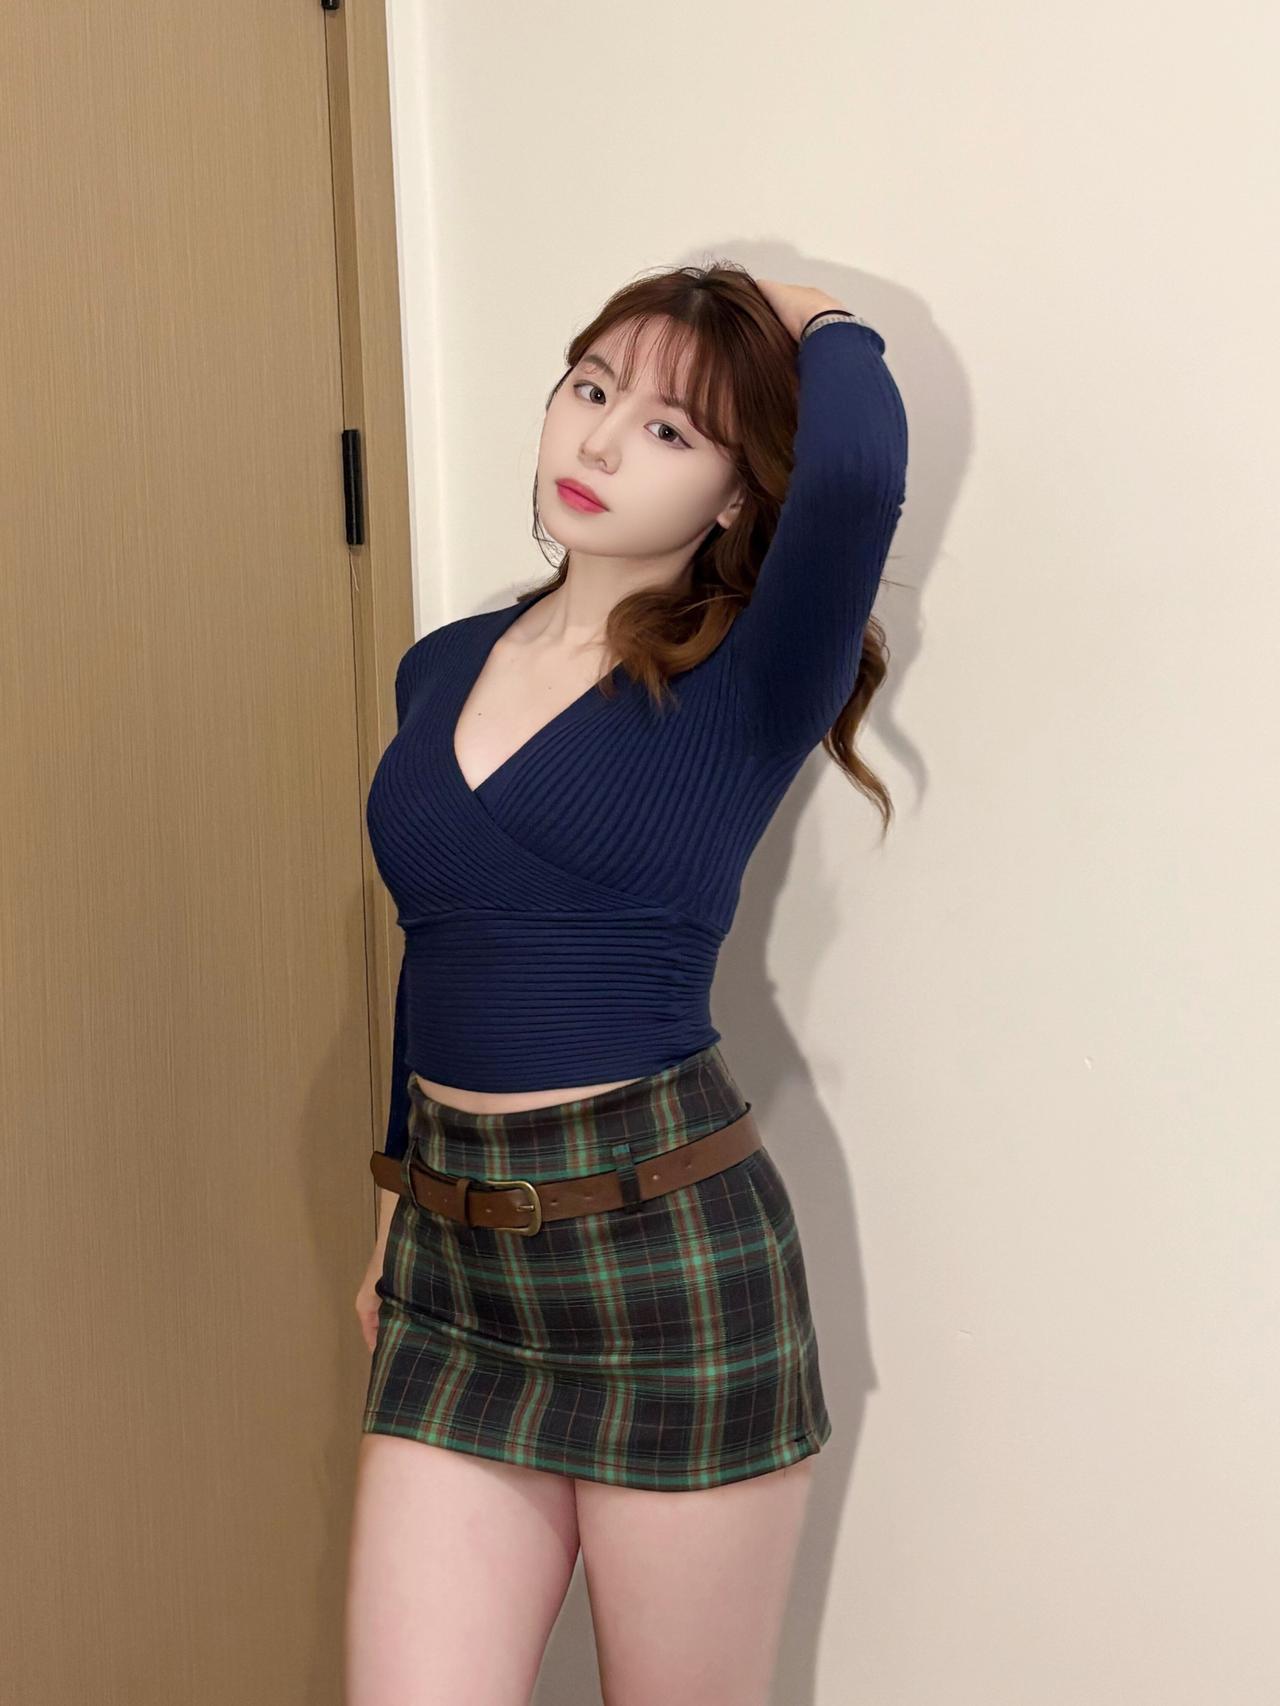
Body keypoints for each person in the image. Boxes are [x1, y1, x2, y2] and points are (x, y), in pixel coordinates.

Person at [343, 262, 909, 1706]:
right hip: (453, 1273)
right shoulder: (440, 666)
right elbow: (435, 947)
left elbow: (854, 472)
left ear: (734, 493)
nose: (599, 440)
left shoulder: (755, 673)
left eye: (669, 429)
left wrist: (804, 311)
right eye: (590, 389)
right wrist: (397, 1192)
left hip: (663, 1263)